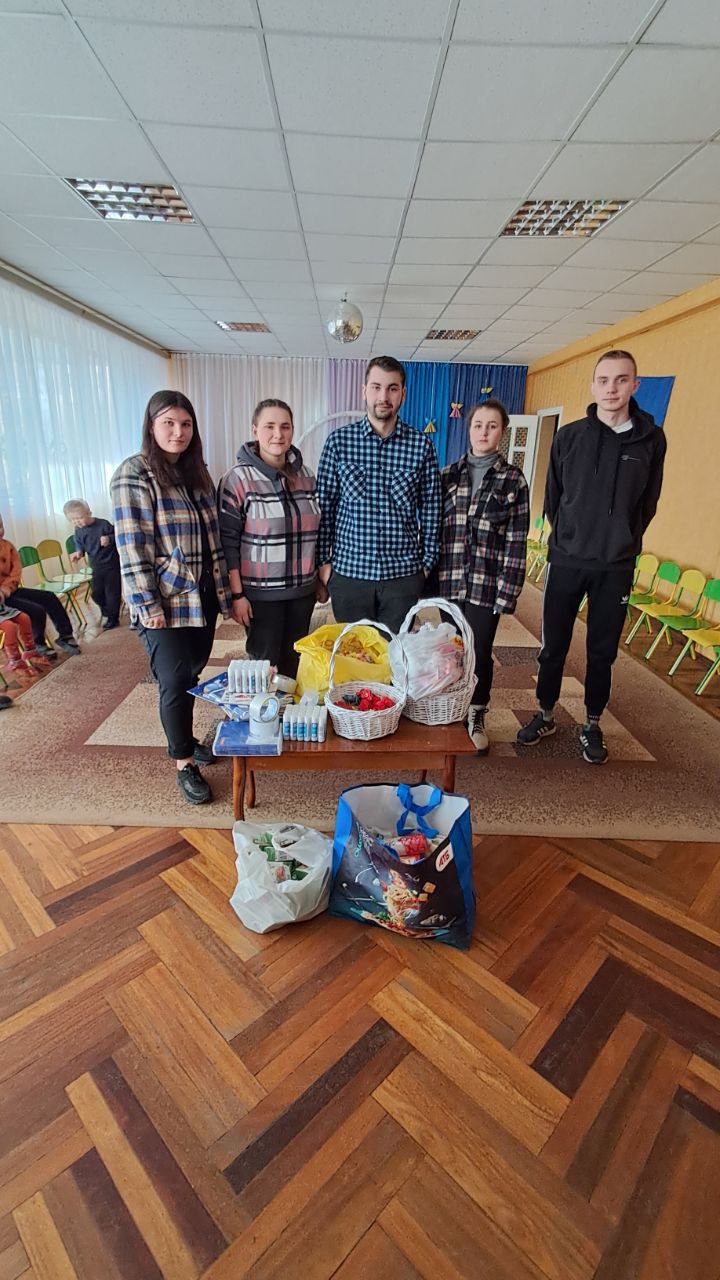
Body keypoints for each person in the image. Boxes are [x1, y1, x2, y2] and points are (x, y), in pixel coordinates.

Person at [517, 349, 666, 765]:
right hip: (567, 560)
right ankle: (545, 713)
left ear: (635, 385)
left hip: (615, 566)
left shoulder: (651, 440)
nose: (612, 388)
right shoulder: (570, 436)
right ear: (593, 386)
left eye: (621, 380)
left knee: (603, 652)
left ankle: (593, 722)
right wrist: (565, 536)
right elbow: (554, 495)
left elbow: (648, 502)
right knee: (552, 646)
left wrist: (624, 538)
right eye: (604, 380)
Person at [111, 390, 232, 806]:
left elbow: (213, 537)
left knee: (192, 674)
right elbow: (132, 546)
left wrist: (223, 594)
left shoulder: (197, 473)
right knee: (176, 681)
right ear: (151, 426)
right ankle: (183, 762)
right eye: (168, 423)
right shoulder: (135, 473)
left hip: (200, 598)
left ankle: (187, 738)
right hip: (164, 602)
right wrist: (148, 606)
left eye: (185, 424)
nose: (178, 432)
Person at [316, 356, 441, 632]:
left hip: (403, 577)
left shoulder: (422, 446)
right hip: (349, 575)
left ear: (403, 393)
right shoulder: (339, 443)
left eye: (392, 388)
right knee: (354, 658)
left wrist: (426, 565)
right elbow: (325, 508)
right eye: (376, 387)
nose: (383, 396)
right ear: (364, 391)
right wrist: (324, 564)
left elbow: (432, 509)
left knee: (398, 661)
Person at [438, 399, 529, 755]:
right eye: (478, 425)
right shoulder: (449, 475)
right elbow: (434, 530)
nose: (484, 432)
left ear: (501, 432)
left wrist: (508, 592)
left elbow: (516, 541)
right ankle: (452, 710)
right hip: (448, 581)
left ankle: (476, 712)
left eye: (492, 426)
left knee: (478, 651)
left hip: (485, 585)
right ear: (469, 428)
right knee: (450, 650)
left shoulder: (512, 480)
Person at [218, 398, 322, 678]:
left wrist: (320, 579)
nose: (278, 434)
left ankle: (289, 720)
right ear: (255, 431)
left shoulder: (307, 476)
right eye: (270, 426)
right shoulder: (237, 479)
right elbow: (227, 543)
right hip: (259, 596)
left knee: (293, 666)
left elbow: (319, 529)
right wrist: (237, 595)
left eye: (285, 426)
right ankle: (262, 722)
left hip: (302, 593)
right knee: (263, 670)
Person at [0, 512, 79, 657]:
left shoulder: (7, 546)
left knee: (49, 597)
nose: (0, 531)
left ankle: (65, 636)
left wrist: (7, 587)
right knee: (36, 610)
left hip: (10, 590)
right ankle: (38, 644)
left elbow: (16, 570)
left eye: (1, 526)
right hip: (1, 600)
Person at [64, 499, 122, 631]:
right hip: (96, 567)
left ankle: (113, 618)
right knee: (96, 594)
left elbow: (118, 535)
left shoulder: (103, 524)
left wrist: (109, 539)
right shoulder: (78, 531)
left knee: (112, 593)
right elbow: (80, 544)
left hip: (111, 565)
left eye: (79, 518)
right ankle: (107, 610)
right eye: (72, 520)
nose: (77, 522)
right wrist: (78, 553)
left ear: (89, 513)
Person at [0, 601, 50, 670]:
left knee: (24, 618)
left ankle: (31, 651)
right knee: (10, 627)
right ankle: (15, 661)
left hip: (3, 609)